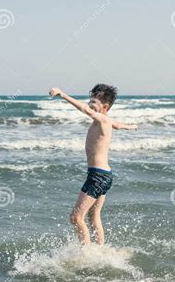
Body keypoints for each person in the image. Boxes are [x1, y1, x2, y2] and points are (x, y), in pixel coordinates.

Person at [49, 84, 139, 245]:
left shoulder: (102, 119)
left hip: (97, 176)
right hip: (104, 175)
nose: (90, 105)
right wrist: (131, 126)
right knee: (93, 215)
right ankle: (100, 249)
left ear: (104, 107)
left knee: (76, 217)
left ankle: (86, 253)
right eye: (89, 101)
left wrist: (63, 94)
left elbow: (85, 110)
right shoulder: (107, 121)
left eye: (93, 103)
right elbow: (117, 125)